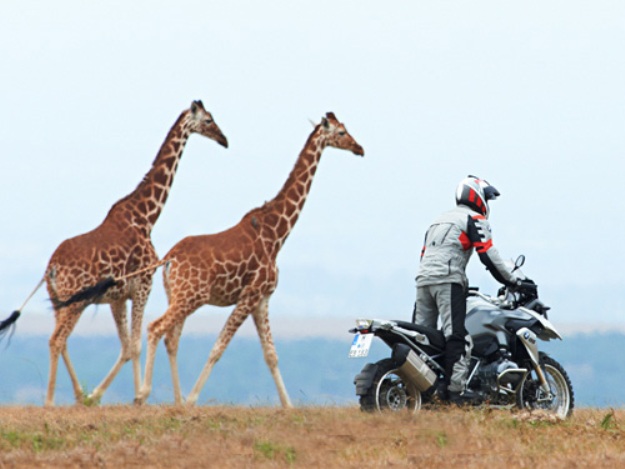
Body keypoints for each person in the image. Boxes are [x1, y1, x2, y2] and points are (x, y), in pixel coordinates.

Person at [413, 175, 524, 405]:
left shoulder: (437, 221)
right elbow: (488, 255)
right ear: (477, 195)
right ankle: (456, 392)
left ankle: (422, 391)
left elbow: (424, 255)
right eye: (487, 199)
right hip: (448, 280)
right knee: (458, 338)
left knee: (423, 338)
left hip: (423, 281)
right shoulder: (474, 218)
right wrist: (512, 280)